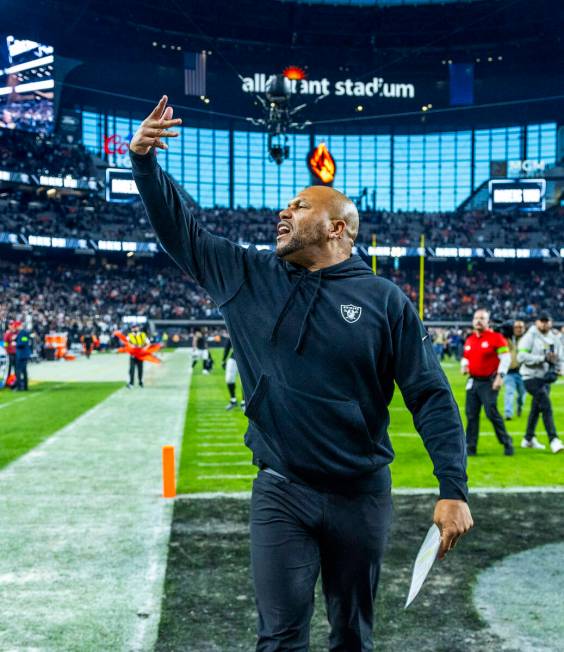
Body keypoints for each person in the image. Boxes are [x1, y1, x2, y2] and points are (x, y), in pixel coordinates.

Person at [130, 96, 473, 652]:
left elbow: (429, 394)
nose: (283, 212)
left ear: (338, 226)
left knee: (351, 638)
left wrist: (453, 488)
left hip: (361, 496)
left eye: (300, 204)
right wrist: (145, 164)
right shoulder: (248, 274)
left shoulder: (385, 300)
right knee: (280, 638)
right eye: (285, 204)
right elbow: (184, 235)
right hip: (281, 489)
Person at [461, 309, 513, 456]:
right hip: (473, 381)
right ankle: (470, 447)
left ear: (487, 321)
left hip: (489, 382)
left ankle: (506, 442)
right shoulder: (470, 339)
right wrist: (464, 365)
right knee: (471, 415)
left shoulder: (496, 337)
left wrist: (500, 376)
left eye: (482, 318)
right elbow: (466, 356)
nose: (478, 321)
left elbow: (506, 358)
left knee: (491, 412)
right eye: (476, 318)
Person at [517, 313, 564, 453]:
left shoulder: (555, 338)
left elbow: (560, 357)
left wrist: (558, 370)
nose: (544, 324)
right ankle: (554, 440)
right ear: (536, 322)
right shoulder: (529, 336)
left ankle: (528, 439)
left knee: (536, 410)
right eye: (541, 321)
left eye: (546, 321)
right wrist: (542, 358)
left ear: (551, 322)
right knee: (546, 405)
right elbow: (521, 356)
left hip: (545, 378)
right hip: (530, 377)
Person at [504, 319, 526, 420]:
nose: (518, 329)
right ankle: (508, 413)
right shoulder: (507, 338)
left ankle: (519, 407)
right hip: (510, 372)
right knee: (509, 392)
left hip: (524, 372)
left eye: (521, 327)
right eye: (516, 327)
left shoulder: (527, 339)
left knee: (522, 395)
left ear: (524, 328)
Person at [222, 337, 245, 410]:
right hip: (234, 358)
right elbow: (228, 345)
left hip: (246, 359)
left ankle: (244, 402)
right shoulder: (234, 328)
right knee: (229, 379)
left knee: (244, 382)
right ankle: (233, 400)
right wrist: (223, 360)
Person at [126, 323, 149, 388]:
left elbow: (148, 343)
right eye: (133, 327)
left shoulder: (143, 335)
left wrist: (142, 348)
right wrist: (133, 347)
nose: (134, 328)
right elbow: (127, 344)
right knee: (131, 369)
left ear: (138, 328)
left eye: (136, 327)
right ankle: (131, 383)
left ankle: (140, 382)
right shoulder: (129, 335)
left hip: (140, 354)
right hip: (133, 355)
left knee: (140, 369)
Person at [13, 321, 32, 391]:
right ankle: (25, 387)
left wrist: (15, 343)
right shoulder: (23, 332)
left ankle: (19, 387)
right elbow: (25, 340)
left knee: (18, 371)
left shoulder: (22, 333)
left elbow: (22, 343)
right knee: (24, 371)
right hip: (24, 354)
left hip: (21, 354)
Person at [3, 320, 17, 385]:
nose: (12, 326)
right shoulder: (7, 334)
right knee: (9, 368)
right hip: (10, 353)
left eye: (13, 325)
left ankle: (16, 381)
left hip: (16, 353)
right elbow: (5, 344)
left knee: (16, 368)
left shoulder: (16, 333)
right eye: (11, 325)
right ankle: (7, 382)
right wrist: (8, 349)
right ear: (9, 326)